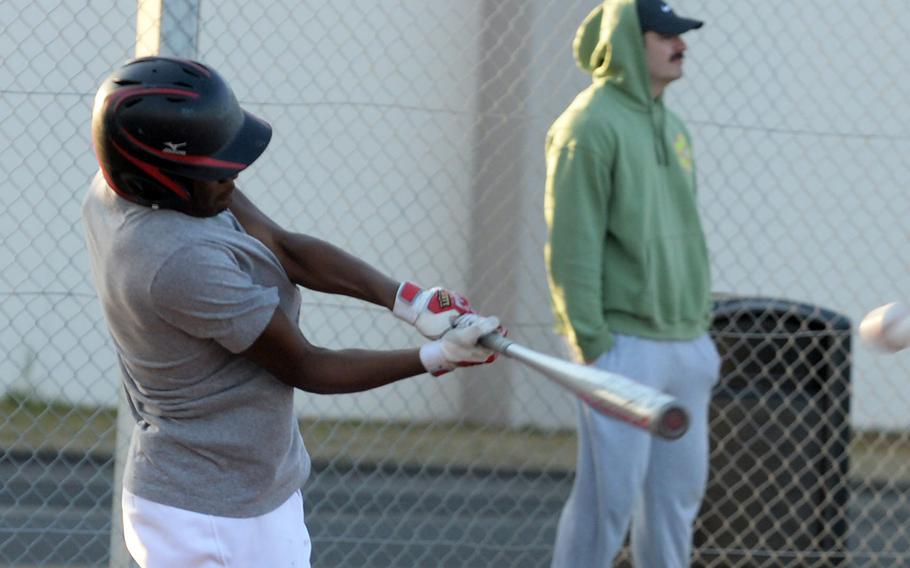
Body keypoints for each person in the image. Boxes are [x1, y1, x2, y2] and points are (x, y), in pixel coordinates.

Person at [82, 55, 501, 568]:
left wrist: (410, 300)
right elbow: (306, 364)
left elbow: (283, 247)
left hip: (242, 489)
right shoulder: (174, 260)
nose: (233, 179)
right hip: (211, 514)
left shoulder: (139, 189)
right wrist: (435, 355)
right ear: (159, 178)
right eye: (216, 170)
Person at [543, 1, 720, 566]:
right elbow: (572, 246)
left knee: (676, 503)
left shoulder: (672, 124)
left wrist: (699, 337)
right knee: (607, 505)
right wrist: (591, 347)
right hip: (621, 347)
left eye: (681, 35)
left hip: (685, 343)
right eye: (665, 34)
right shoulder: (587, 126)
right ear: (626, 42)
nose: (681, 44)